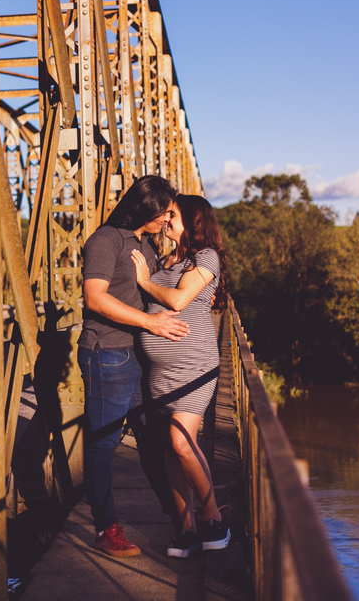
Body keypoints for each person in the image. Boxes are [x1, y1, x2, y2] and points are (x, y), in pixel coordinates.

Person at [80, 175, 188, 557]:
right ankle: (104, 527)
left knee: (152, 439)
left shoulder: (145, 244)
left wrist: (178, 241)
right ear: (148, 207)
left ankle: (182, 519)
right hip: (107, 353)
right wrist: (151, 323)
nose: (168, 218)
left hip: (139, 355)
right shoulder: (106, 240)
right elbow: (95, 298)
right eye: (166, 211)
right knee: (104, 442)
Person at [131, 194, 231, 557]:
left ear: (193, 219)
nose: (165, 219)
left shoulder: (206, 257)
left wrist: (144, 280)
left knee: (179, 442)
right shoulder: (164, 258)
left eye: (171, 214)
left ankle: (214, 516)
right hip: (159, 372)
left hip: (194, 368)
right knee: (168, 453)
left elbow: (177, 301)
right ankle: (187, 529)